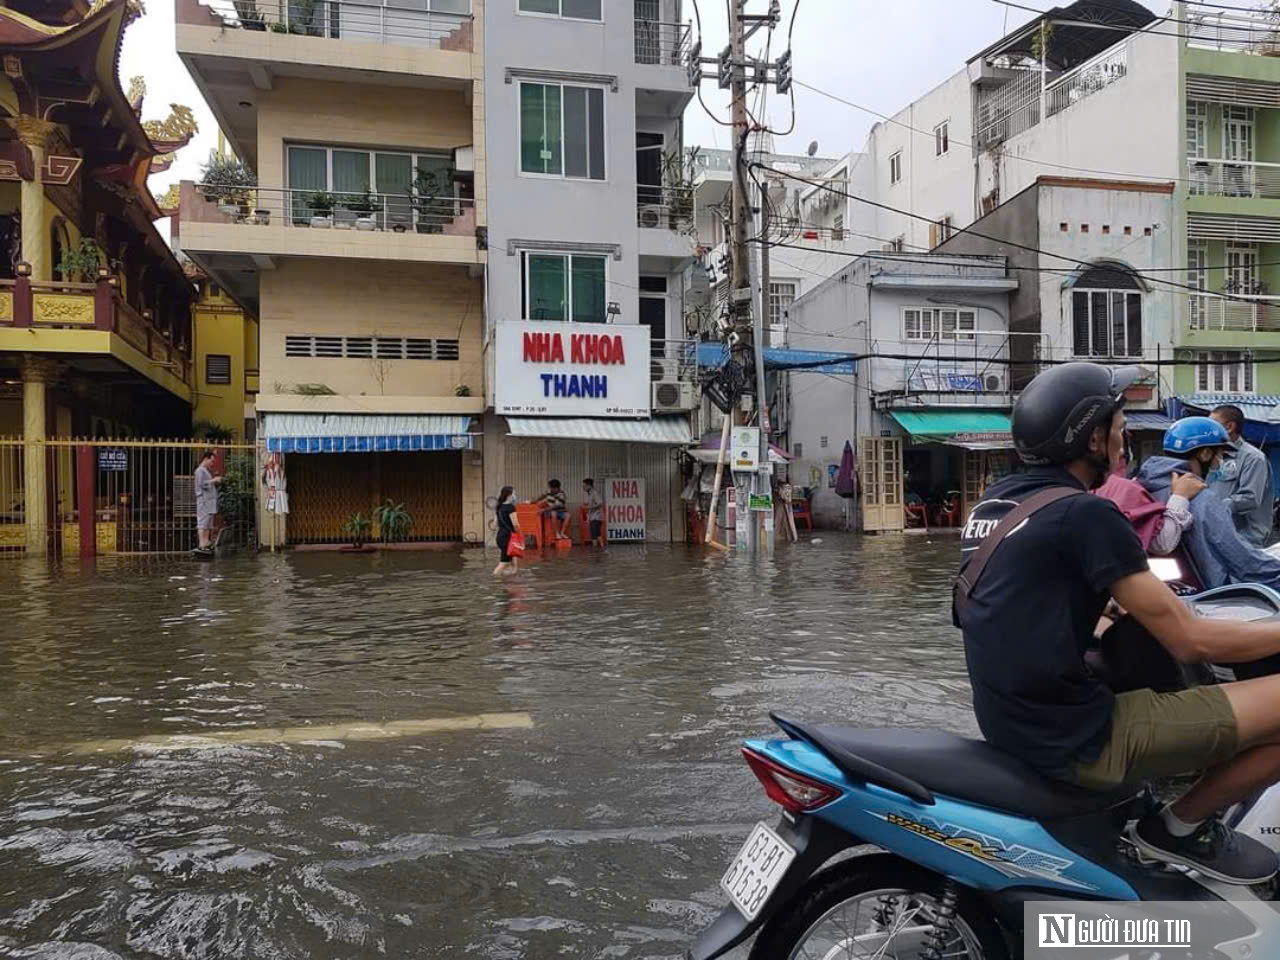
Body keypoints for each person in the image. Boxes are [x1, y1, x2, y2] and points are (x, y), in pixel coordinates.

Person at [957, 362, 1280, 885]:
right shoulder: (1084, 515)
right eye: (1120, 420)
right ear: (1092, 439)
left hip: (1012, 721)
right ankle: (1176, 829)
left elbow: (1027, 601)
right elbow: (1191, 639)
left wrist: (1109, 607)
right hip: (1079, 736)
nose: (1126, 432)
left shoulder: (995, 506)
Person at [1135, 418, 1280, 591]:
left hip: (1160, 589)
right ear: (1204, 454)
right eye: (1219, 455)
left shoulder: (1142, 484)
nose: (1220, 462)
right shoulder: (1201, 498)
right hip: (1207, 595)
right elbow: (1242, 560)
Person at [1095, 446, 1202, 556]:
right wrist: (1180, 496)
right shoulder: (1124, 488)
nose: (1122, 448)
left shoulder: (1093, 485)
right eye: (1119, 430)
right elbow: (1162, 543)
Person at [1209, 404, 1274, 547]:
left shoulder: (1253, 458)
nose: (1207, 429)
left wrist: (1212, 508)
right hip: (1219, 538)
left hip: (1245, 540)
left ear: (1229, 427)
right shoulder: (1212, 456)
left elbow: (1250, 497)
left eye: (1212, 424)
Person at [193, 450, 223, 554]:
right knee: (202, 522)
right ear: (206, 459)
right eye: (211, 461)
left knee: (208, 523)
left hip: (209, 501)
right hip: (204, 500)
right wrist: (214, 480)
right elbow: (201, 484)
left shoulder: (205, 470)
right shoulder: (200, 471)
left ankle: (206, 542)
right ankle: (202, 543)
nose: (212, 463)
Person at [493, 486, 521, 577]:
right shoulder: (510, 508)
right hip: (508, 538)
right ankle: (494, 580)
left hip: (500, 537)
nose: (515, 496)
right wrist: (519, 535)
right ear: (509, 495)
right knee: (503, 563)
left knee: (513, 554)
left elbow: (495, 524)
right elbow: (516, 524)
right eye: (514, 494)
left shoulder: (499, 507)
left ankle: (513, 575)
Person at [583, 478, 604, 548]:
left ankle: (594, 551)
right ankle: (602, 548)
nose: (583, 487)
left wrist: (589, 508)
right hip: (594, 517)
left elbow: (600, 503)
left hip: (596, 517)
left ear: (589, 486)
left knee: (594, 535)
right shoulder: (590, 494)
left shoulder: (594, 493)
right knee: (597, 534)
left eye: (585, 485)